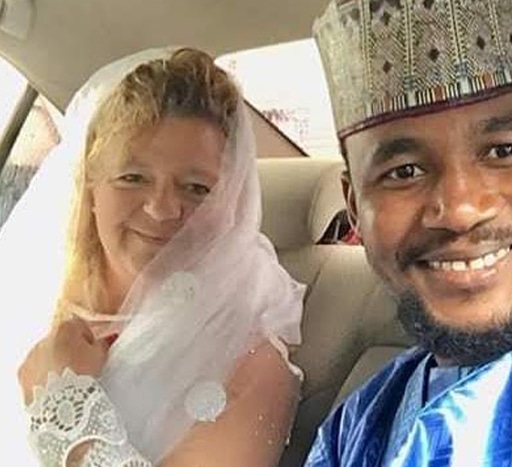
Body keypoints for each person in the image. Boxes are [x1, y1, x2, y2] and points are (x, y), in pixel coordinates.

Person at [306, 0, 512, 465]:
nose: (461, 212)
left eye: (504, 150)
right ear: (355, 207)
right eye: (404, 171)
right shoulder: (355, 427)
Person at [0, 47, 306, 466]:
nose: (162, 209)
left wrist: (63, 408)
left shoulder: (252, 364)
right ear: (91, 188)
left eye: (196, 188)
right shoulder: (25, 298)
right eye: (133, 178)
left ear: (230, 204)